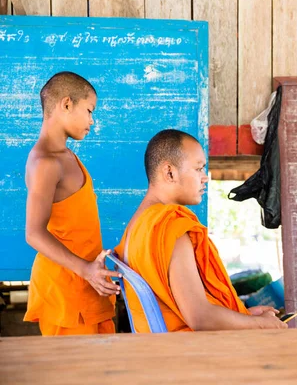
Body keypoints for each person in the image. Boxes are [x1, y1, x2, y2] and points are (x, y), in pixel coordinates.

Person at [115, 129, 286, 332]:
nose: (205, 178)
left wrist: (243, 315)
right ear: (169, 172)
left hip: (158, 348)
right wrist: (260, 324)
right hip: (186, 353)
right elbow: (200, 318)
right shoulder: (170, 226)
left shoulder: (135, 227)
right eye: (198, 169)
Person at [24, 71, 119, 336]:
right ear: (66, 104)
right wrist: (86, 270)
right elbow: (33, 233)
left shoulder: (66, 156)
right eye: (89, 110)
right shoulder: (45, 162)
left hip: (87, 289)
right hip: (66, 295)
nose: (92, 121)